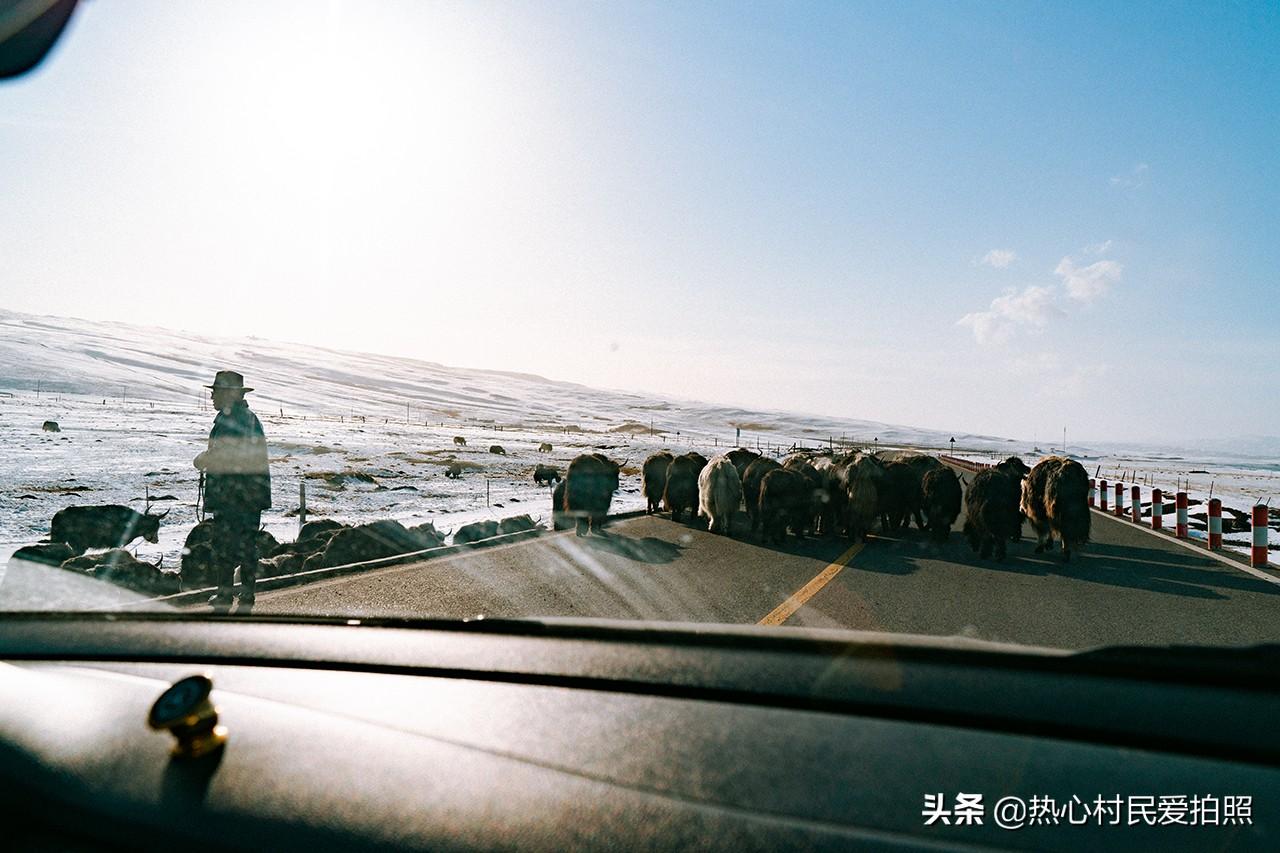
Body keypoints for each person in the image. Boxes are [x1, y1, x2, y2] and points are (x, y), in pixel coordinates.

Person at [194, 371, 271, 609]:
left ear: (228, 394)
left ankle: (225, 595)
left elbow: (226, 456)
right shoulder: (247, 417)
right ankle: (247, 595)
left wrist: (203, 459)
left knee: (224, 546)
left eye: (215, 392)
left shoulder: (231, 419)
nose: (212, 397)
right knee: (247, 545)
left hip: (232, 495)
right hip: (250, 494)